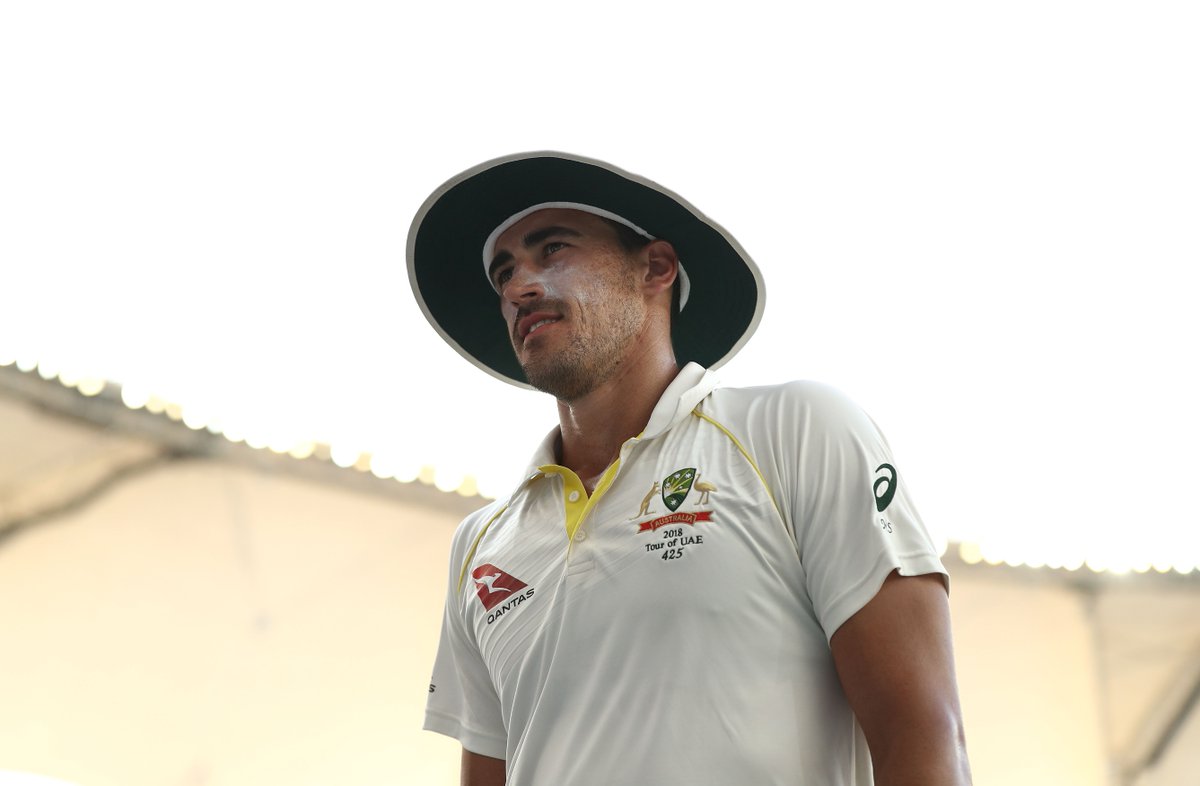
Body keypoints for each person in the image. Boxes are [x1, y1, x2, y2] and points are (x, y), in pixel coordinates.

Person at [408, 152, 972, 786]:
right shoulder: (481, 544)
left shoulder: (796, 429)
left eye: (553, 249)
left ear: (656, 267)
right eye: (504, 272)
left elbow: (923, 734)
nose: (517, 288)